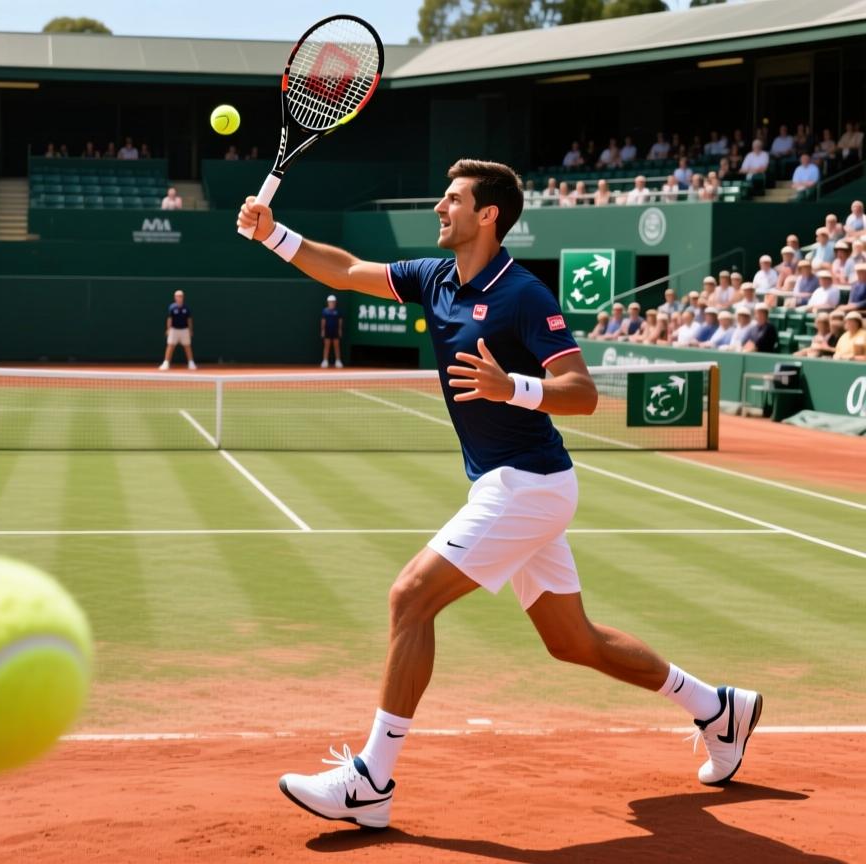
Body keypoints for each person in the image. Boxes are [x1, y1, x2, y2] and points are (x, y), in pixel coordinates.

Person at [236, 158, 761, 829]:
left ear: (488, 215)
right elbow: (344, 269)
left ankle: (371, 780)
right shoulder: (433, 278)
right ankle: (718, 707)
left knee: (410, 598)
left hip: (529, 484)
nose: (438, 209)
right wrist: (274, 235)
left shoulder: (523, 295)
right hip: (513, 482)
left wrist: (510, 386)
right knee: (574, 642)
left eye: (451, 200)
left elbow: (583, 392)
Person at [159, 289, 195, 370]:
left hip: (184, 330)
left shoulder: (186, 308)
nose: (179, 297)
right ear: (175, 297)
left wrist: (190, 330)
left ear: (183, 297)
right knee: (170, 345)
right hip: (174, 330)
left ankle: (191, 363)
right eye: (178, 296)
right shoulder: (172, 307)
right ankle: (166, 363)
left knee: (187, 346)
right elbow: (169, 319)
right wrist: (168, 329)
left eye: (181, 296)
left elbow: (189, 320)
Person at [320, 294, 343, 368]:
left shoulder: (338, 311)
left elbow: (340, 321)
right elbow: (323, 321)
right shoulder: (325, 311)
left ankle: (338, 361)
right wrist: (323, 330)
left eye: (333, 302)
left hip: (335, 330)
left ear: (335, 302)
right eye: (330, 302)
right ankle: (325, 361)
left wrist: (340, 330)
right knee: (326, 346)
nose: (332, 303)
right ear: (328, 302)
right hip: (327, 330)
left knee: (336, 346)